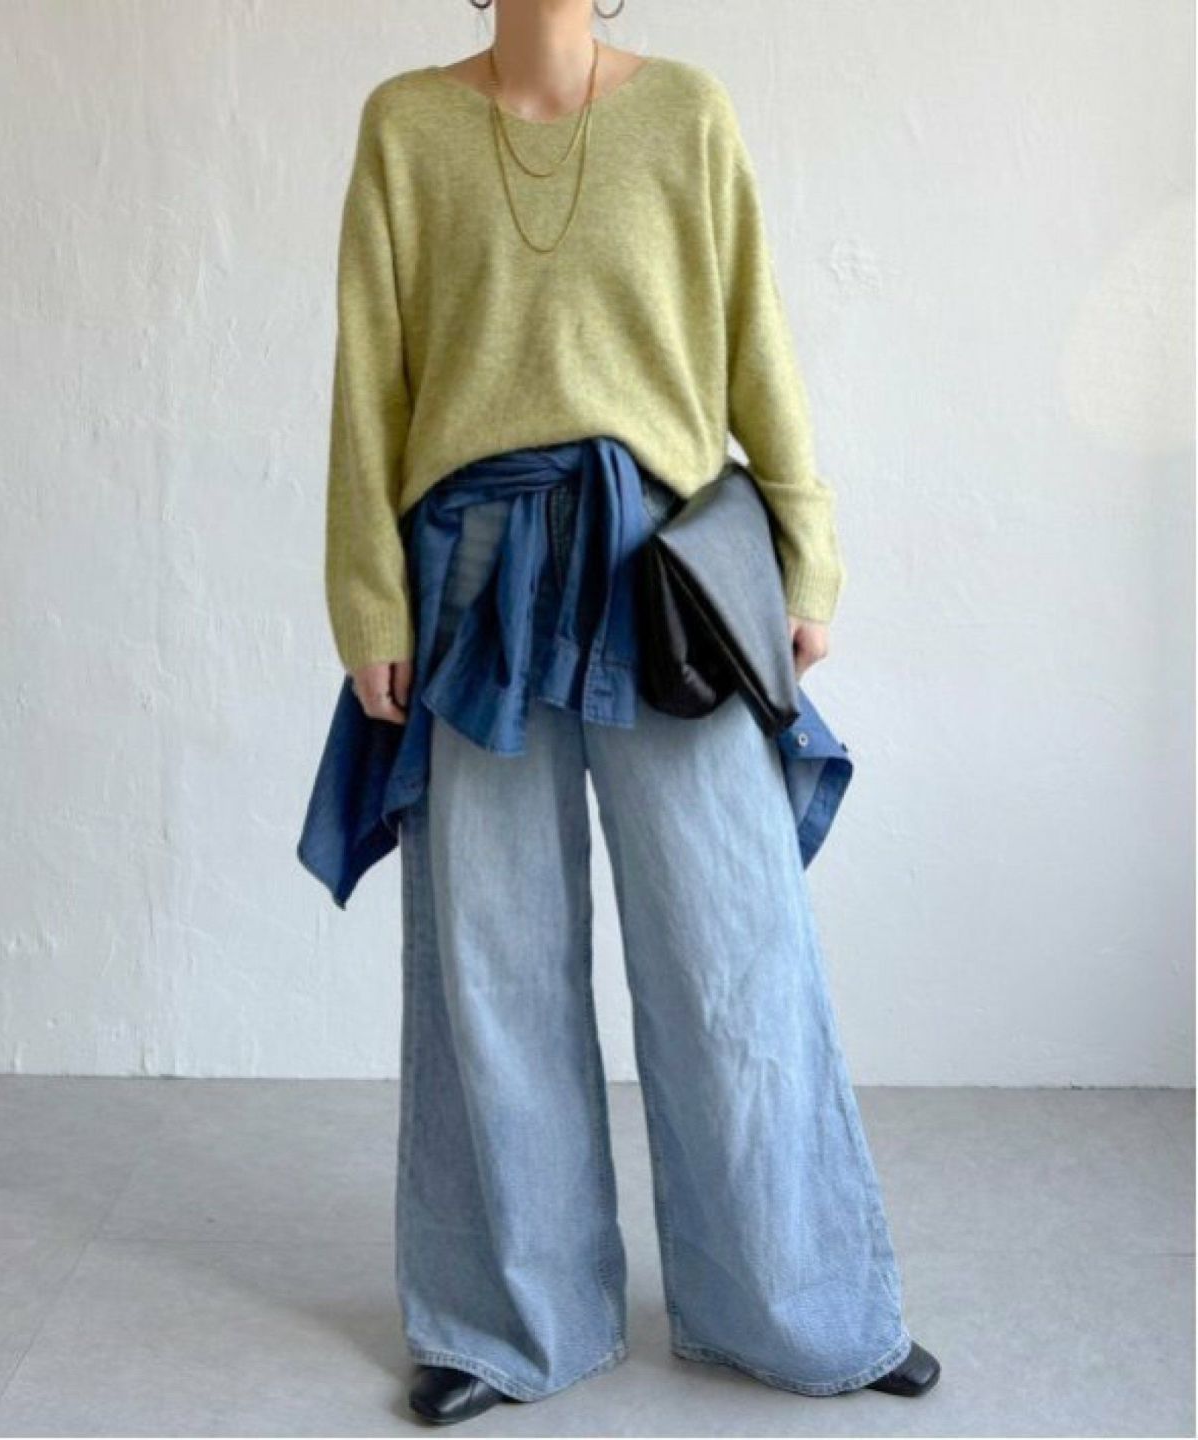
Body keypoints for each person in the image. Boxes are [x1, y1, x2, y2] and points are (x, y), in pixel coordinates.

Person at [317, 1, 940, 1424]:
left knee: (736, 945)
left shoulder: (688, 113)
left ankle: (793, 1306)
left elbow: (754, 340)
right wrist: (369, 603)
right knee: (492, 962)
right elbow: (368, 381)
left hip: (665, 575)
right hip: (476, 577)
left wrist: (807, 553)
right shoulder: (406, 125)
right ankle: (507, 1322)